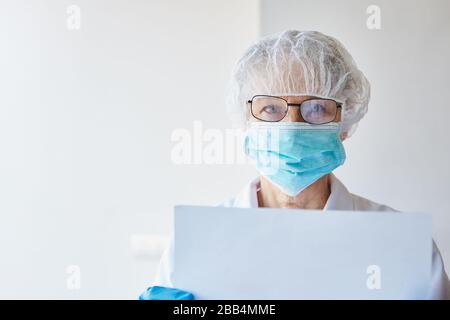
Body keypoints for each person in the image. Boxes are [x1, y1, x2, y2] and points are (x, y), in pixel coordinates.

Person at [140, 30, 450, 300]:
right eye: (271, 108)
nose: (290, 126)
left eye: (316, 108)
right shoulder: (196, 245)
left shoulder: (404, 247)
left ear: (344, 122)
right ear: (246, 119)